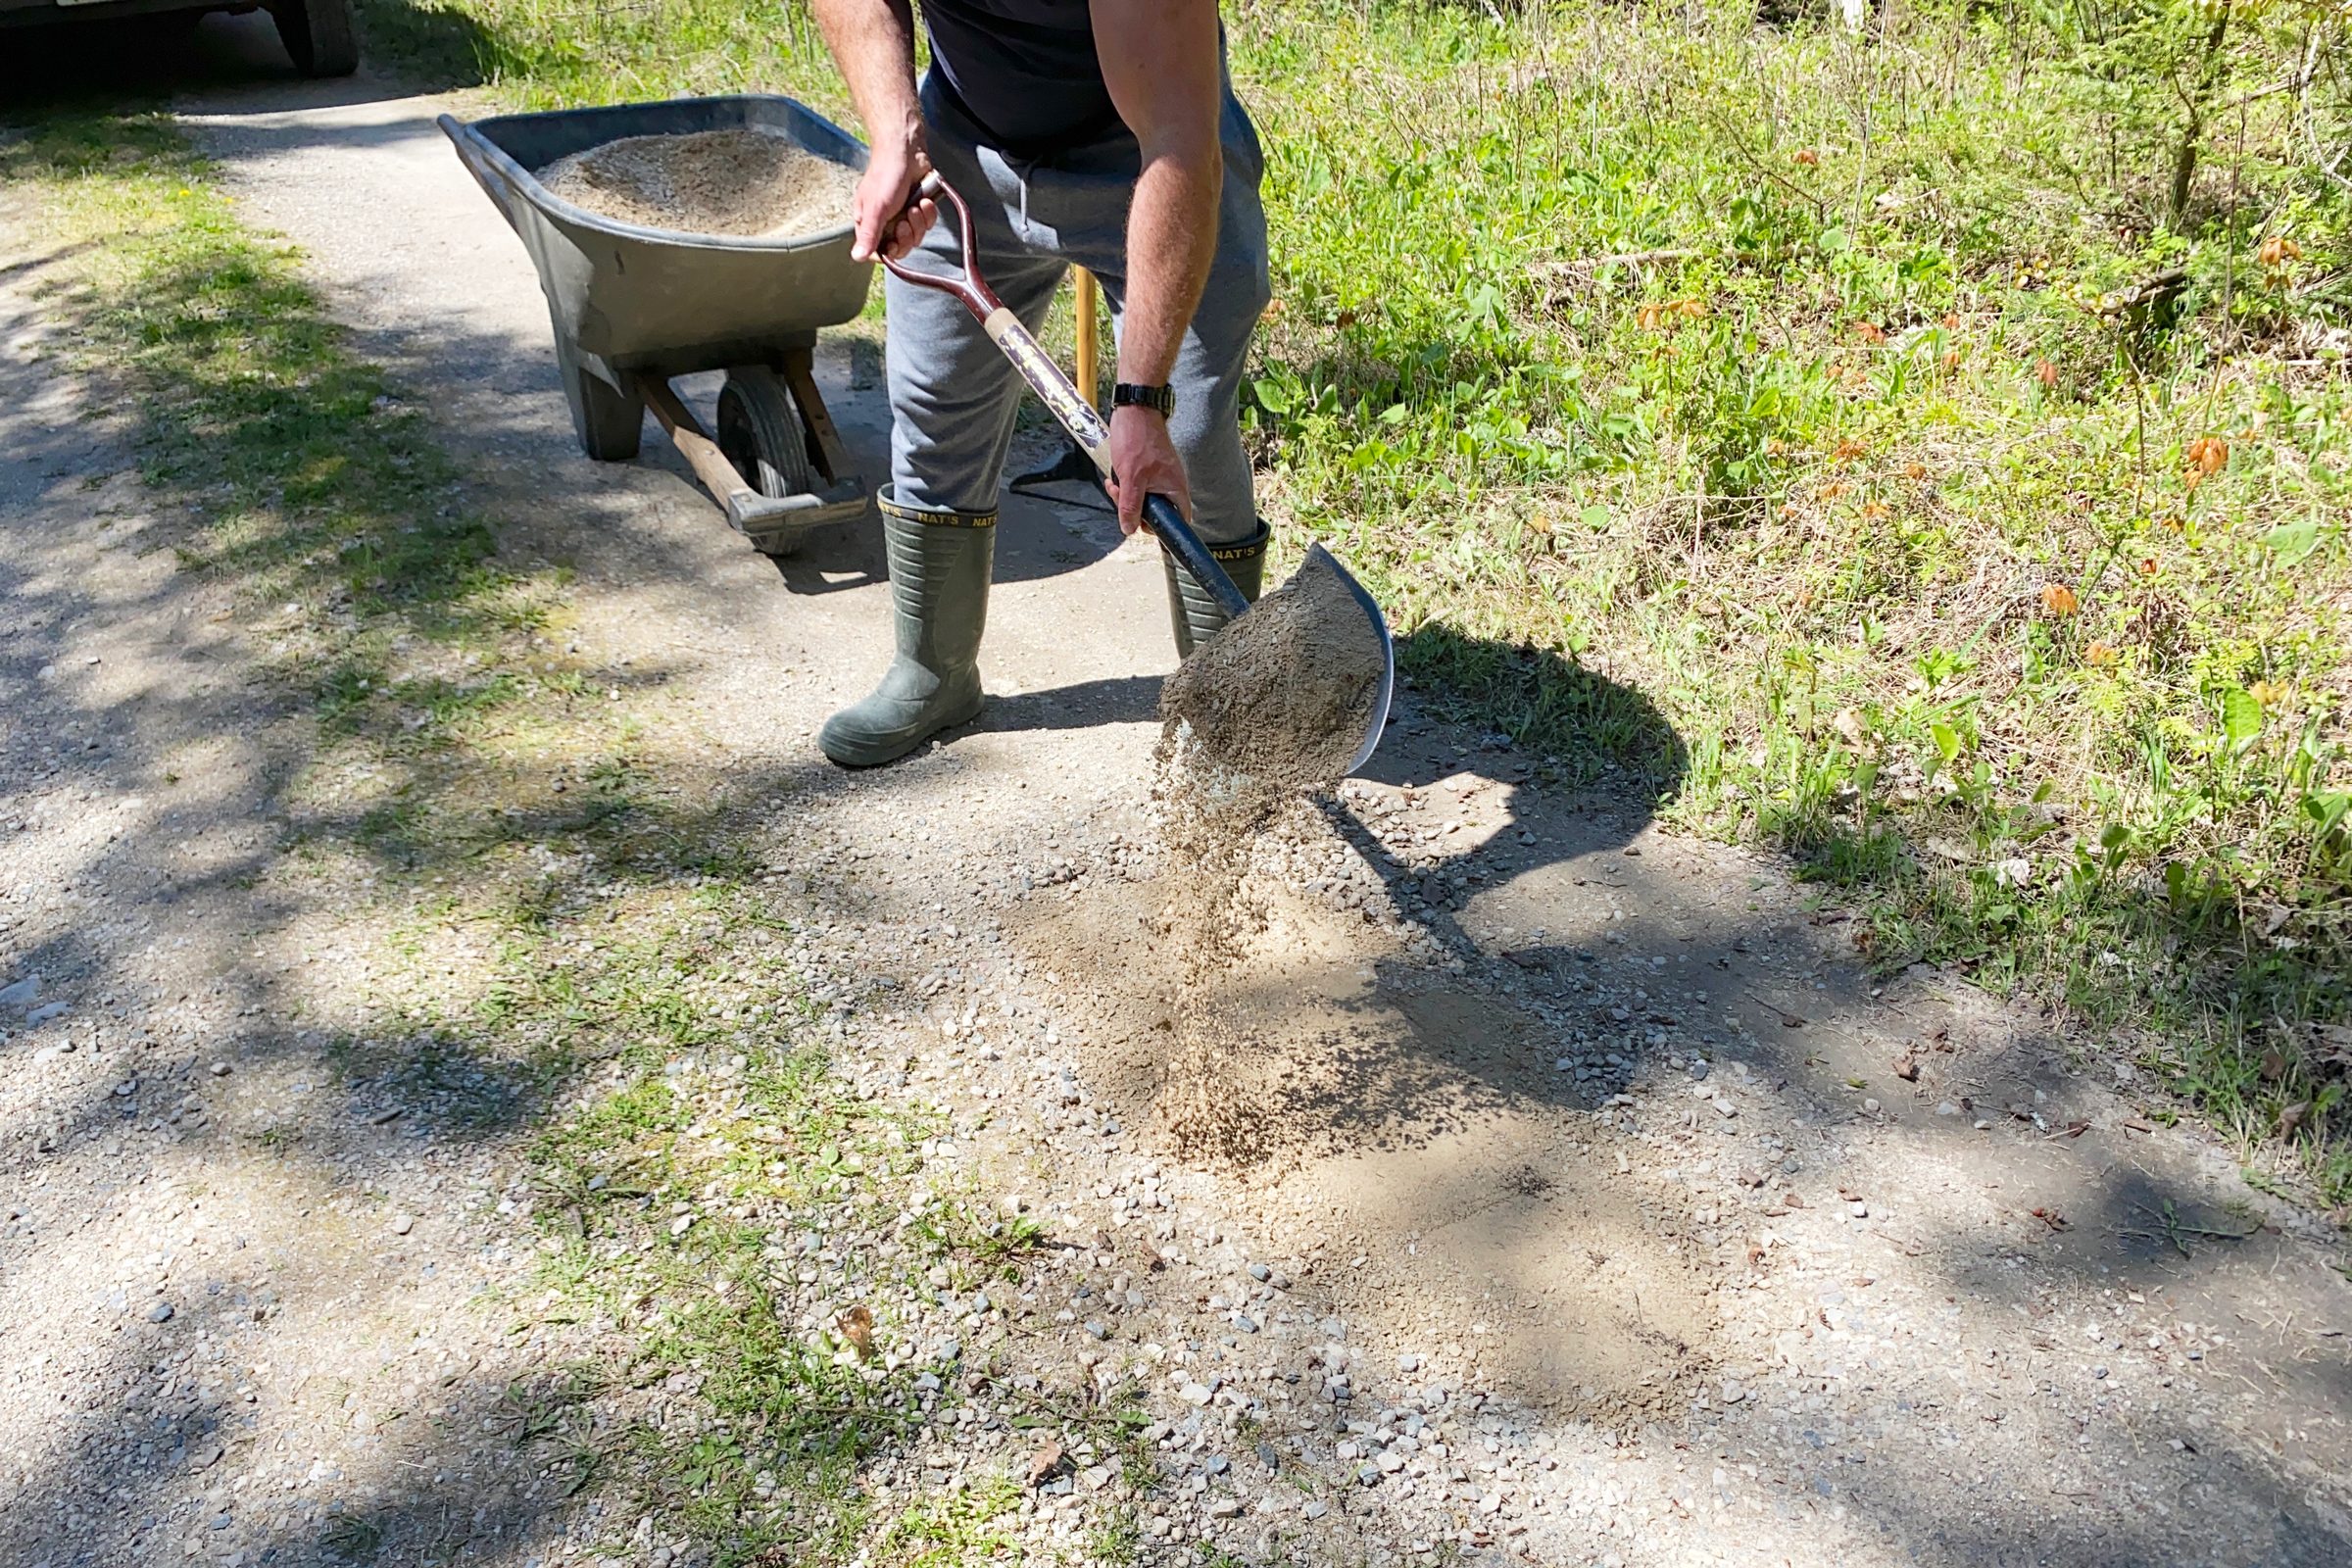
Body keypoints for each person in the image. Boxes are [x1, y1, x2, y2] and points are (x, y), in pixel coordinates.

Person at [808, 0, 1271, 767]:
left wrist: (1140, 400)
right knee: (933, 403)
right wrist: (895, 132)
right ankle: (935, 671)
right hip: (966, 141)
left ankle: (1231, 718)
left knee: (1186, 432)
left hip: (1152, 152)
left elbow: (1180, 143)